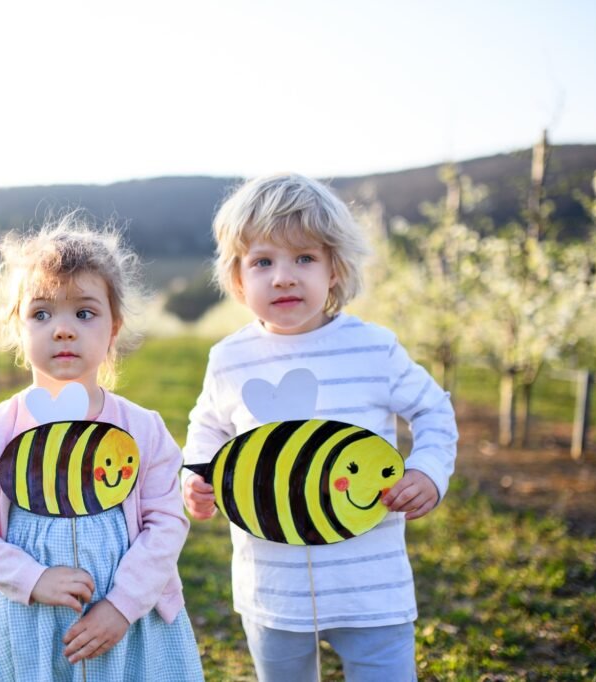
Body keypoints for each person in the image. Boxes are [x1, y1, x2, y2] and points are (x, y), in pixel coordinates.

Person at [182, 173, 458, 681]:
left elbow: (433, 410)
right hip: (273, 582)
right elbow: (207, 427)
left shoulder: (372, 348)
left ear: (335, 269)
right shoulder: (229, 359)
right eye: (263, 261)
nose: (283, 277)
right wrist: (196, 477)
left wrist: (428, 471)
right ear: (238, 279)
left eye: (304, 258)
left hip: (368, 580)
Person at [0, 214, 204, 681]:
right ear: (18, 330)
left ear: (113, 329)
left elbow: (166, 523)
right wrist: (32, 579)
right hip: (34, 621)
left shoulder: (142, 429)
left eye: (84, 313)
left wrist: (122, 607)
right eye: (41, 313)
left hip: (129, 622)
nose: (62, 329)